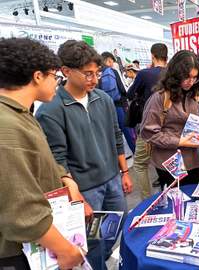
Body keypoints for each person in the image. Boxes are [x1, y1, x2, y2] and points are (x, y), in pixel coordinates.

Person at [36, 40, 133, 269]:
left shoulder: (104, 99)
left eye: (97, 73)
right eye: (88, 74)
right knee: (93, 241)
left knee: (119, 225)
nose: (94, 79)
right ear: (66, 71)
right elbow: (57, 159)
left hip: (112, 179)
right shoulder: (51, 110)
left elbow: (116, 135)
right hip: (86, 189)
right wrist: (76, 196)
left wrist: (124, 172)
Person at [0, 37, 87, 269]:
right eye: (55, 76)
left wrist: (65, 177)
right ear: (38, 76)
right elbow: (21, 210)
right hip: (18, 253)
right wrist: (66, 250)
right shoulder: (7, 126)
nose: (57, 83)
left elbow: (39, 158)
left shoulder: (19, 114)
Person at [141, 50, 199, 188]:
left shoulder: (193, 95)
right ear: (176, 74)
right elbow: (149, 133)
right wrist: (180, 141)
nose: (191, 82)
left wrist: (198, 135)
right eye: (187, 77)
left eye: (195, 78)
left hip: (192, 161)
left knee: (194, 199)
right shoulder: (160, 98)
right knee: (176, 202)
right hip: (170, 161)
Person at [127, 43, 168, 198]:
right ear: (166, 56)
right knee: (168, 164)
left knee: (140, 164)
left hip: (149, 128)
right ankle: (169, 197)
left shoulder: (144, 74)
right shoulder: (174, 74)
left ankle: (147, 200)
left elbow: (130, 94)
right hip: (170, 128)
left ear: (152, 56)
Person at [99, 51, 136, 153]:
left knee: (114, 135)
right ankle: (136, 154)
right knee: (129, 132)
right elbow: (122, 88)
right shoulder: (112, 71)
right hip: (119, 106)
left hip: (105, 107)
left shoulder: (97, 72)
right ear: (109, 60)